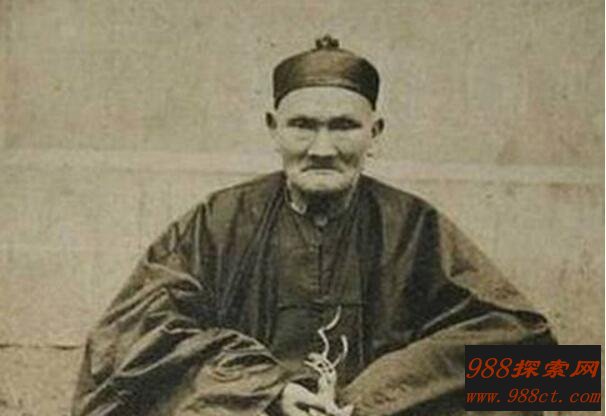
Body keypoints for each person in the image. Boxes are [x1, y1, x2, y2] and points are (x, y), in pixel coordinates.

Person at [72, 36, 555, 416]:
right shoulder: (218, 222)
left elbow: (533, 351)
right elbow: (129, 339)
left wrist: (376, 397)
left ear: (374, 133)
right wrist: (267, 389)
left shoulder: (415, 227)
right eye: (303, 125)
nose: (322, 149)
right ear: (273, 128)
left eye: (343, 126)